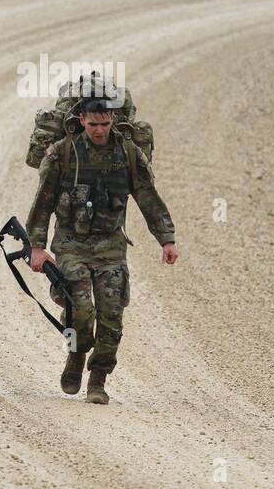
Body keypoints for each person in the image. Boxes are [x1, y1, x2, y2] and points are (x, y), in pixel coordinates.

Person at [25, 97, 178, 404]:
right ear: (81, 119)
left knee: (111, 316)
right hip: (71, 243)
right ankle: (77, 355)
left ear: (113, 121)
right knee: (79, 308)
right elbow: (44, 200)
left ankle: (98, 380)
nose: (99, 130)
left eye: (105, 124)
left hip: (110, 245)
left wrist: (166, 238)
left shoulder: (127, 153)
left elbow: (147, 196)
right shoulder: (64, 153)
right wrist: (37, 247)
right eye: (93, 124)